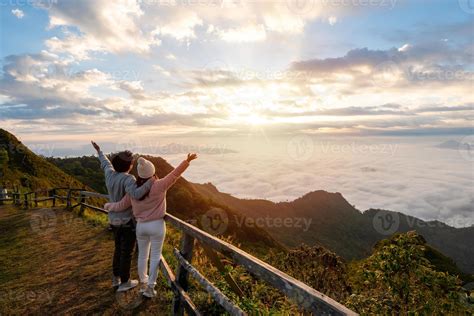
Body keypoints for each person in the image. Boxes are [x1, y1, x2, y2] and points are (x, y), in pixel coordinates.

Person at [104, 153, 198, 298]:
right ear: (152, 172)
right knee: (155, 256)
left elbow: (121, 205)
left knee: (142, 256)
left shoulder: (132, 189)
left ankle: (143, 284)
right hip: (157, 225)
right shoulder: (159, 185)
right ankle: (150, 288)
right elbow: (175, 174)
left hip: (141, 227)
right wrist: (187, 161)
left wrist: (109, 206)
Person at [91, 141, 154, 292]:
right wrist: (150, 182)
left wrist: (99, 151)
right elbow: (137, 194)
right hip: (126, 221)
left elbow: (104, 162)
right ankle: (125, 282)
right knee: (127, 252)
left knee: (118, 249)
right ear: (129, 166)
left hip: (113, 220)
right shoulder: (128, 179)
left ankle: (116, 279)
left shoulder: (109, 174)